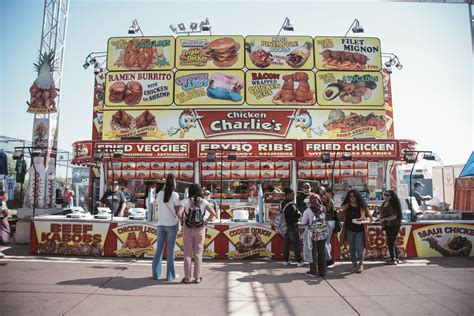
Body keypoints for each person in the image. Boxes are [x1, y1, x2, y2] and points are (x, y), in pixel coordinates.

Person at [181, 183, 216, 284]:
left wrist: (183, 220)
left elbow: (179, 213)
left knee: (187, 254)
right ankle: (197, 278)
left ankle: (187, 278)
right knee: (198, 254)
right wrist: (206, 221)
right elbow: (213, 213)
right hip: (200, 228)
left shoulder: (186, 201)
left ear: (190, 191)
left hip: (187, 228)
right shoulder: (204, 201)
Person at [152, 173, 183, 281]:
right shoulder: (175, 195)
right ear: (174, 183)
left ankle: (156, 274)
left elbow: (158, 206)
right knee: (170, 252)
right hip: (172, 225)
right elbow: (178, 211)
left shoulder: (159, 193)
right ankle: (170, 276)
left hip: (160, 224)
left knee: (158, 251)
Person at [339, 189, 371, 274]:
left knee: (359, 248)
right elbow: (340, 218)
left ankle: (360, 264)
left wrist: (364, 219)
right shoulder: (346, 205)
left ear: (357, 196)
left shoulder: (362, 206)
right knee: (352, 249)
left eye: (354, 196)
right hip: (349, 230)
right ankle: (354, 264)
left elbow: (370, 218)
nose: (352, 198)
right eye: (350, 196)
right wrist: (341, 210)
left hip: (360, 230)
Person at [300, 193, 327, 277]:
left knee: (313, 252)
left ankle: (313, 272)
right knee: (322, 252)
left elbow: (303, 222)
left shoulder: (308, 211)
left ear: (310, 201)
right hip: (322, 232)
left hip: (313, 234)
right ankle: (323, 272)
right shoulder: (323, 208)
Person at [379, 190, 403, 265]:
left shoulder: (392, 204)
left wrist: (384, 219)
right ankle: (395, 257)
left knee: (391, 241)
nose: (385, 196)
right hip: (388, 225)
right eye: (384, 194)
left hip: (394, 225)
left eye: (387, 195)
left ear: (391, 196)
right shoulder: (384, 203)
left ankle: (393, 259)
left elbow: (394, 216)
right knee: (392, 241)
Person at [281, 187, 304, 267]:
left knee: (286, 245)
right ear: (287, 195)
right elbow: (296, 216)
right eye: (292, 195)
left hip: (285, 227)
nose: (293, 196)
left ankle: (285, 260)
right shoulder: (292, 205)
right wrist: (299, 214)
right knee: (296, 245)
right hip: (292, 227)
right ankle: (299, 261)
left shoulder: (282, 203)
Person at [318, 185, 337, 267]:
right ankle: (327, 259)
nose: (321, 194)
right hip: (331, 222)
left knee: (324, 241)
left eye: (322, 192)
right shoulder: (330, 200)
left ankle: (328, 259)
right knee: (327, 241)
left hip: (326, 222)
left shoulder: (324, 201)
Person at [0, 190, 11, 258]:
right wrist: (6, 212)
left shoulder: (2, 203)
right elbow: (5, 212)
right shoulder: (1, 203)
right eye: (6, 195)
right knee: (2, 237)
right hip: (1, 221)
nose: (7, 197)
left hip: (3, 221)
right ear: (1, 196)